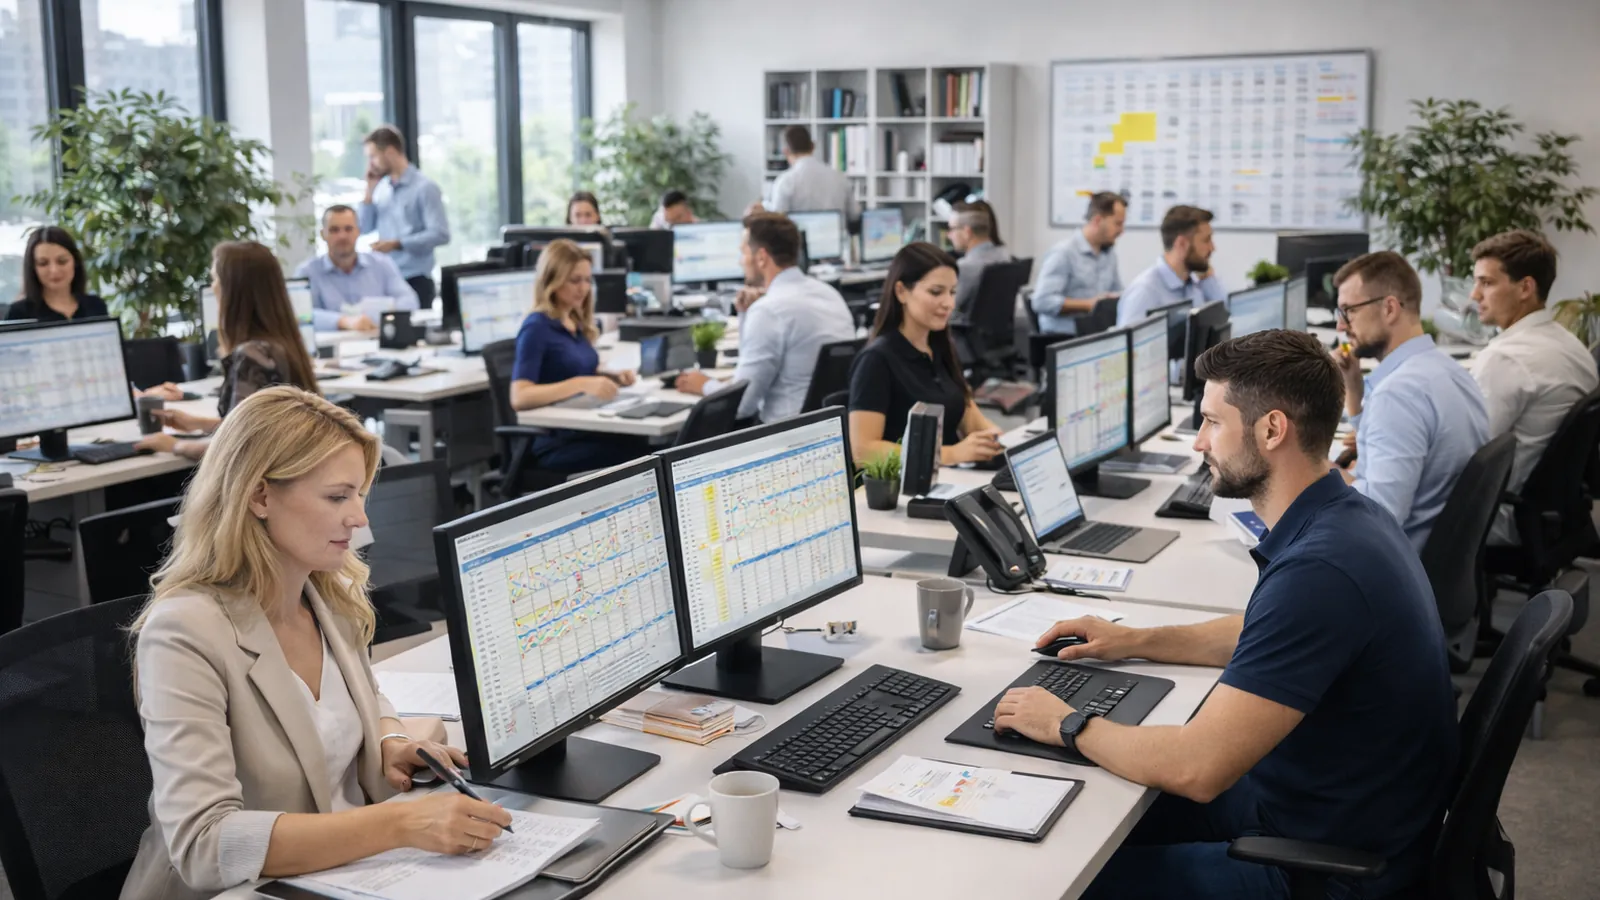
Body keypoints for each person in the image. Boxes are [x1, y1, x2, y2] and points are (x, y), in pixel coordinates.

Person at [995, 330, 1457, 899]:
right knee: (1083, 813)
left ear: (1271, 430)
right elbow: (1263, 631)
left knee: (1051, 877)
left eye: (1212, 422)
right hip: (1322, 804)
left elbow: (1198, 767)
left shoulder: (1322, 572)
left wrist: (1064, 723)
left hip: (1324, 868)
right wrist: (1133, 639)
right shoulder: (1349, 517)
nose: (1198, 442)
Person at [120, 386, 510, 900]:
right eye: (337, 497)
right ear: (259, 496)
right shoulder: (184, 633)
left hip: (350, 874)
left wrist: (388, 739)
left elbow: (367, 698)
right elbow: (203, 844)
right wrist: (401, 825)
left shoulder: (329, 591)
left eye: (360, 495)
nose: (360, 518)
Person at [1333, 251, 1488, 550]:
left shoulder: (1398, 395)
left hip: (1396, 566)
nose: (1341, 326)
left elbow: (1379, 516)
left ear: (1390, 308)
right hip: (1441, 557)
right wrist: (1355, 396)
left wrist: (1312, 465)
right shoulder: (1449, 371)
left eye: (1348, 311)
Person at [1468, 230, 1599, 544]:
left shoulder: (1506, 359)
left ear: (1525, 287)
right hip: (1546, 513)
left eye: (1486, 282)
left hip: (1499, 515)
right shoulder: (1572, 345)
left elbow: (1467, 455)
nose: (1474, 295)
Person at [135, 242, 322, 461]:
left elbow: (239, 450)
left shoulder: (253, 355)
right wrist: (198, 424)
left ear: (233, 290)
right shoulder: (281, 343)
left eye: (216, 279)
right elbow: (259, 432)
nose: (213, 287)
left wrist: (175, 446)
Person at [674, 213, 855, 423]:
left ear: (761, 257)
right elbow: (749, 371)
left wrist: (703, 384)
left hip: (783, 437)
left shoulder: (769, 311)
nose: (740, 261)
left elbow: (742, 405)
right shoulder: (829, 294)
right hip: (831, 431)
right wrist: (745, 313)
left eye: (743, 252)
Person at [848, 242, 1004, 465]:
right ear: (901, 291)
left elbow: (972, 421)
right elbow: (864, 451)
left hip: (949, 481)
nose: (948, 303)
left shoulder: (940, 349)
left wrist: (999, 440)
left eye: (952, 292)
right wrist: (950, 454)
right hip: (904, 491)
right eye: (936, 292)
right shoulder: (876, 360)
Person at [509, 239, 644, 471]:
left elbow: (571, 368)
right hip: (555, 441)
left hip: (585, 428)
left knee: (644, 445)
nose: (583, 288)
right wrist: (581, 384)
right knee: (638, 453)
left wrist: (609, 377)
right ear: (553, 280)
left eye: (587, 280)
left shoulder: (572, 320)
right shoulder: (536, 327)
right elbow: (520, 397)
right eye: (574, 281)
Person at [359, 125, 450, 308]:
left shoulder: (424, 188)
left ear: (391, 152)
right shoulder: (381, 188)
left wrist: (396, 243)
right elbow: (364, 227)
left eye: (373, 156)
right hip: (385, 280)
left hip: (416, 280)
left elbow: (440, 233)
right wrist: (368, 192)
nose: (371, 165)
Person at [294, 205, 419, 331]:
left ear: (358, 231)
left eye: (348, 229)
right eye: (334, 230)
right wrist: (343, 321)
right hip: (330, 347)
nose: (342, 236)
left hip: (377, 343)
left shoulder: (382, 264)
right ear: (323, 234)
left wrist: (379, 313)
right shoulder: (307, 272)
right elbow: (301, 315)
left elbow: (410, 301)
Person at [1031, 191, 1125, 335]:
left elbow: (1117, 292)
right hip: (1065, 338)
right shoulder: (1064, 253)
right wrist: (1088, 304)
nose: (1121, 231)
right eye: (1117, 224)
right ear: (1098, 221)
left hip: (1095, 334)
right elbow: (1041, 301)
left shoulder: (1108, 254)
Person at [1116, 204, 1225, 326]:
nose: (1212, 248)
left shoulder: (1193, 284)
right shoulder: (1145, 292)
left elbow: (1225, 317)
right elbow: (1128, 344)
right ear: (1182, 244)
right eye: (1206, 240)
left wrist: (1208, 278)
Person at [5, 225, 109, 322]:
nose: (54, 270)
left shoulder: (96, 306)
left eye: (62, 261)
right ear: (33, 268)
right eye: (43, 263)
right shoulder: (19, 313)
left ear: (75, 262)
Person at [765, 126, 860, 224]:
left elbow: (777, 220)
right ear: (813, 146)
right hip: (835, 237)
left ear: (786, 151)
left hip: (798, 238)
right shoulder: (840, 178)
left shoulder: (785, 181)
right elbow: (854, 216)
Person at [947, 200, 1012, 322]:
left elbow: (949, 311)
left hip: (960, 335)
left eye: (952, 229)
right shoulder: (1003, 255)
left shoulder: (966, 267)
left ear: (967, 232)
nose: (948, 235)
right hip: (993, 334)